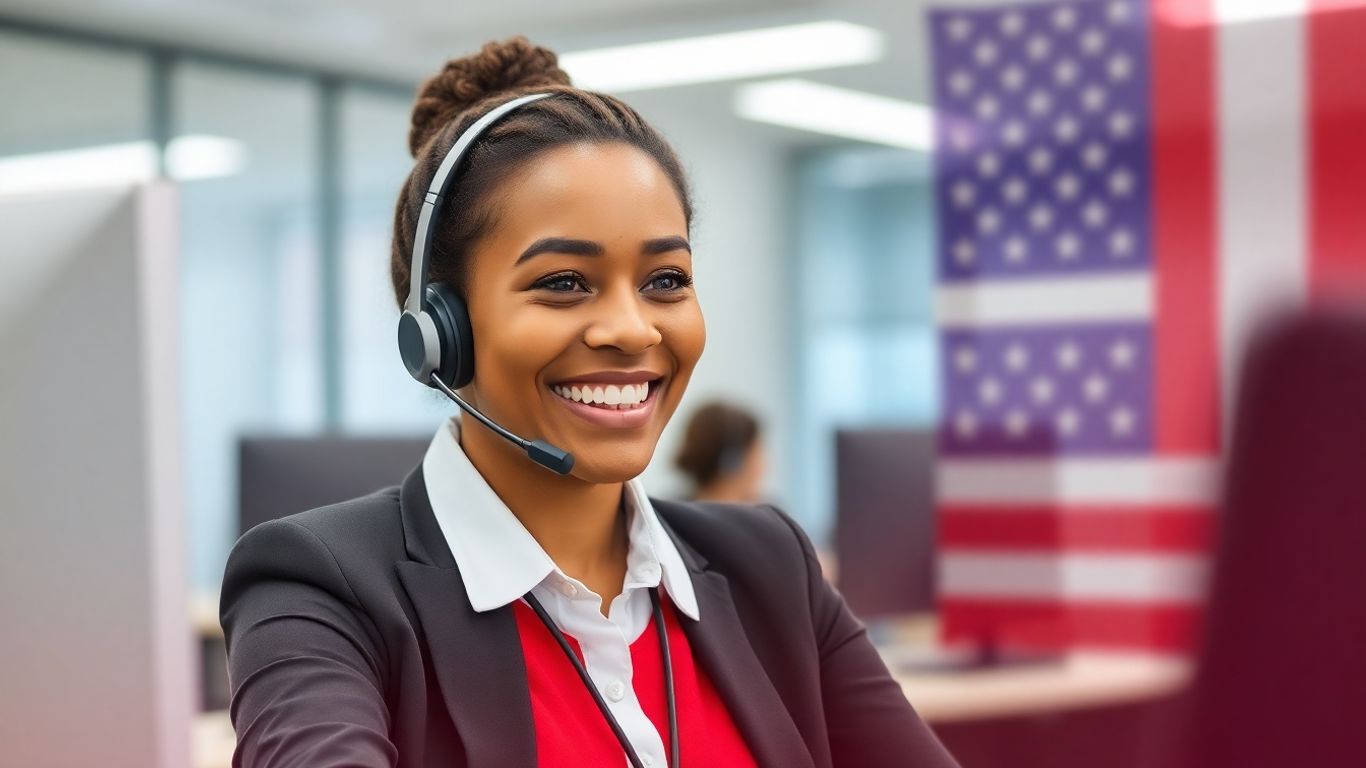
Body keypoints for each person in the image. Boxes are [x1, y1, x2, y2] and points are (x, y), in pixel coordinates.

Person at [220, 36, 959, 768]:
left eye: (665, 281)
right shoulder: (318, 587)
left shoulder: (769, 567)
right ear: (440, 330)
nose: (632, 330)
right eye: (564, 283)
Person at [673, 401, 766, 503]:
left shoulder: (670, 508)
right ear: (732, 461)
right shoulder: (762, 512)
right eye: (756, 453)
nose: (763, 468)